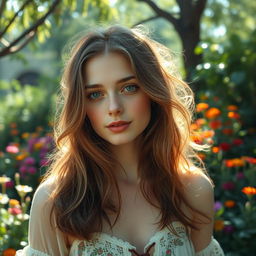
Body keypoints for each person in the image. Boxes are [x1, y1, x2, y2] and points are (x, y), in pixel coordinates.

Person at [16, 25, 224, 256]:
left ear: (153, 92)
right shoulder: (55, 201)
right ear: (80, 106)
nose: (114, 108)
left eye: (129, 88)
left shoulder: (193, 190)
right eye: (95, 94)